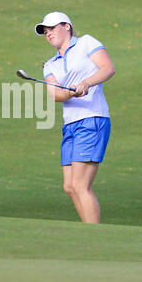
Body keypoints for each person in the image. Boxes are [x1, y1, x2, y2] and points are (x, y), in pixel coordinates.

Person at [35, 12, 115, 224]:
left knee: (81, 185)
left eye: (51, 28)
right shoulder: (50, 65)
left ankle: (94, 235)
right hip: (70, 125)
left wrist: (86, 83)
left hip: (92, 119)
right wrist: (70, 92)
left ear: (66, 26)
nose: (48, 33)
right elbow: (56, 95)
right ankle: (88, 230)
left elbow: (107, 68)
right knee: (69, 187)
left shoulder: (87, 43)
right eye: (45, 31)